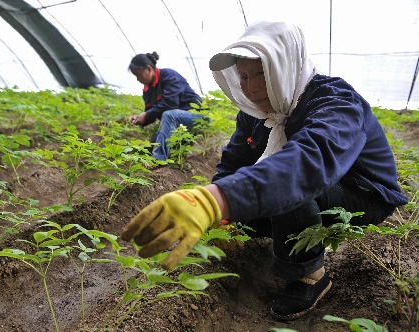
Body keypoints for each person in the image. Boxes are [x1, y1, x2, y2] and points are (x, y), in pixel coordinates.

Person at [121, 21, 408, 321]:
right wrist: (220, 215)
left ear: (285, 66)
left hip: (362, 194)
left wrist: (215, 200)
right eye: (243, 76)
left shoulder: (335, 100)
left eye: (261, 72)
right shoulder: (255, 112)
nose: (252, 86)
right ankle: (285, 232)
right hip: (318, 186)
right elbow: (233, 162)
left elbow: (306, 164)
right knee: (250, 204)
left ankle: (309, 275)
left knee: (286, 186)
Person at [128, 52, 206, 160]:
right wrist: (141, 119)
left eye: (139, 75)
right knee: (155, 140)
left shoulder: (169, 76)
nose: (138, 79)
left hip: (196, 118)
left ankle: (158, 160)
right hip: (178, 123)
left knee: (169, 115)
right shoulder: (148, 89)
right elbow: (151, 112)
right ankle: (151, 159)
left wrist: (146, 114)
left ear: (149, 69)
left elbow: (171, 103)